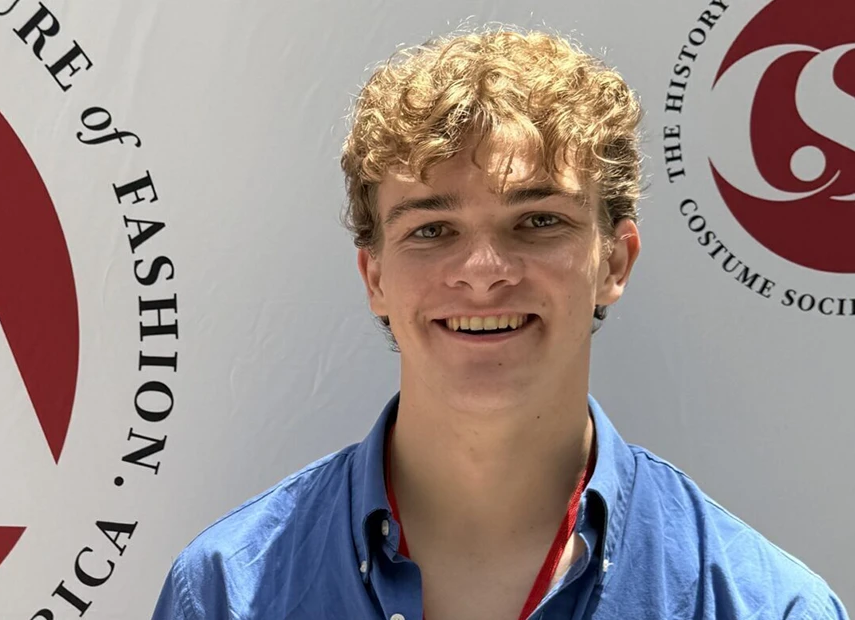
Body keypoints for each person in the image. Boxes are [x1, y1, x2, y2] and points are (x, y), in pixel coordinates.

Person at [150, 26, 848, 620]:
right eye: (431, 230)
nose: (482, 270)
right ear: (375, 279)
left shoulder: (761, 604)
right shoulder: (225, 594)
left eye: (538, 221)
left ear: (615, 261)